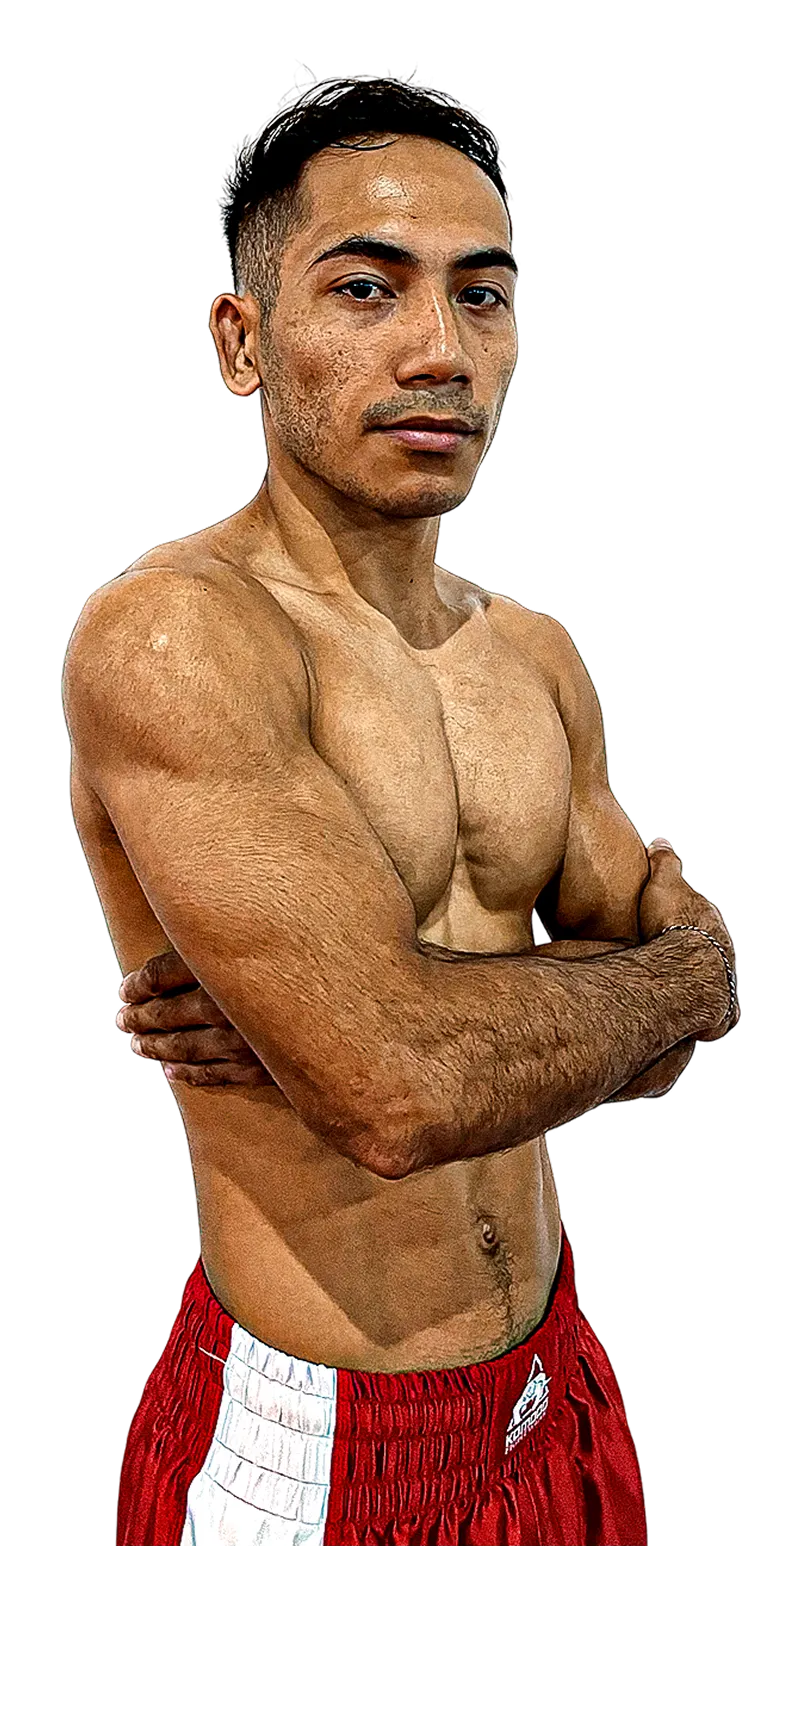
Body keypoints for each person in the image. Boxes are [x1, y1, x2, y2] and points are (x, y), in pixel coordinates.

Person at [64, 74, 737, 1549]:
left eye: (481, 297)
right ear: (241, 341)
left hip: (556, 1388)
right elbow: (400, 1098)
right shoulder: (180, 639)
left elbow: (654, 1057)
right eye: (366, 288)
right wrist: (666, 977)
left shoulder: (534, 658)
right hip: (318, 1455)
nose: (440, 350)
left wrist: (438, 1012)